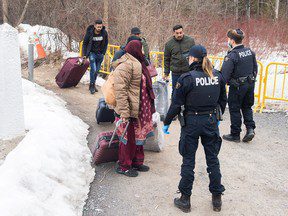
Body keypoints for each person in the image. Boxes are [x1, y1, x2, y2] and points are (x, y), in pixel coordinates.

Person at [162, 45, 227, 212]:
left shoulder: (187, 78)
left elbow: (176, 104)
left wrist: (167, 121)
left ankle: (185, 200)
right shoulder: (217, 76)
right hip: (211, 121)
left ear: (192, 58)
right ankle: (217, 199)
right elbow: (222, 100)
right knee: (212, 159)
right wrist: (218, 117)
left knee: (188, 161)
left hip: (191, 122)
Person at [113, 40, 155, 177]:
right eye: (141, 49)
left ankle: (137, 162)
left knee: (139, 136)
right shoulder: (125, 65)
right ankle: (124, 165)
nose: (142, 52)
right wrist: (124, 111)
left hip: (140, 109)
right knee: (128, 138)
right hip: (129, 109)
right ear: (135, 50)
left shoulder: (139, 63)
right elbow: (120, 90)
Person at [221, 29, 257, 143]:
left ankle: (235, 134)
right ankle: (250, 129)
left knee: (235, 108)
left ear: (232, 40)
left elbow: (224, 76)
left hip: (237, 87)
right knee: (247, 107)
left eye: (228, 39)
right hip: (250, 84)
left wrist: (229, 82)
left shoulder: (232, 55)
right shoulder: (250, 51)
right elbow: (255, 69)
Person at [163, 25, 195, 96]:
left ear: (183, 32)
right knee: (175, 91)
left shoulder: (190, 41)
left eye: (181, 32)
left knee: (189, 91)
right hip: (176, 72)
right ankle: (175, 106)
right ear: (173, 33)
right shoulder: (169, 44)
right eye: (177, 33)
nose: (179, 35)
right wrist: (166, 73)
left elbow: (194, 55)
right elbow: (166, 59)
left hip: (188, 71)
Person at [82, 19, 108, 94]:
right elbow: (85, 43)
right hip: (92, 53)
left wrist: (103, 52)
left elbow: (106, 43)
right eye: (98, 27)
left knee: (97, 71)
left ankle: (92, 84)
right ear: (94, 26)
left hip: (100, 54)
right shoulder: (90, 32)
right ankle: (92, 85)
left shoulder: (104, 33)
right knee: (93, 69)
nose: (99, 28)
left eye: (100, 27)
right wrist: (85, 54)